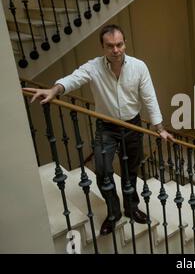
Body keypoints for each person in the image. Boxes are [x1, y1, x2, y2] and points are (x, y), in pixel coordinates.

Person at [23, 24, 173, 235]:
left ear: (125, 43)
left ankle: (132, 208)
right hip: (106, 128)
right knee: (102, 170)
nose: (116, 50)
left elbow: (149, 97)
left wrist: (160, 128)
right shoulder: (93, 67)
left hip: (132, 125)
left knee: (131, 171)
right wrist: (54, 90)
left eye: (119, 44)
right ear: (102, 47)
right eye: (110, 46)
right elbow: (73, 79)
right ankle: (113, 214)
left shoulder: (139, 67)